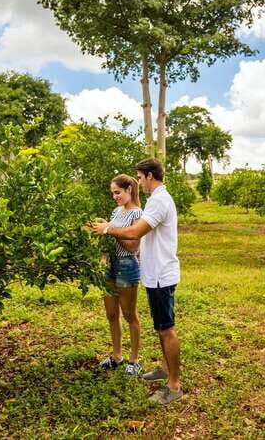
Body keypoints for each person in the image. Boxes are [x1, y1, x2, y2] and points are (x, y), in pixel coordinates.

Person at [90, 158, 183, 405]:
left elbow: (133, 234)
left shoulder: (159, 201)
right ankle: (164, 369)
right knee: (161, 328)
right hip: (154, 274)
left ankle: (173, 386)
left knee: (166, 329)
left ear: (150, 176)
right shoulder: (156, 201)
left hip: (162, 274)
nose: (138, 181)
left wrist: (107, 229)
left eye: (140, 177)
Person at [97, 174, 144, 377]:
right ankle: (117, 356)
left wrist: (109, 229)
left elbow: (133, 246)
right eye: (113, 193)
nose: (115, 196)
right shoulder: (116, 211)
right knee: (111, 314)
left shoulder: (138, 214)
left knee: (129, 314)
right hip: (110, 264)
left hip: (127, 265)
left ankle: (135, 360)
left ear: (129, 190)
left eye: (118, 192)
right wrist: (102, 229)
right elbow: (111, 237)